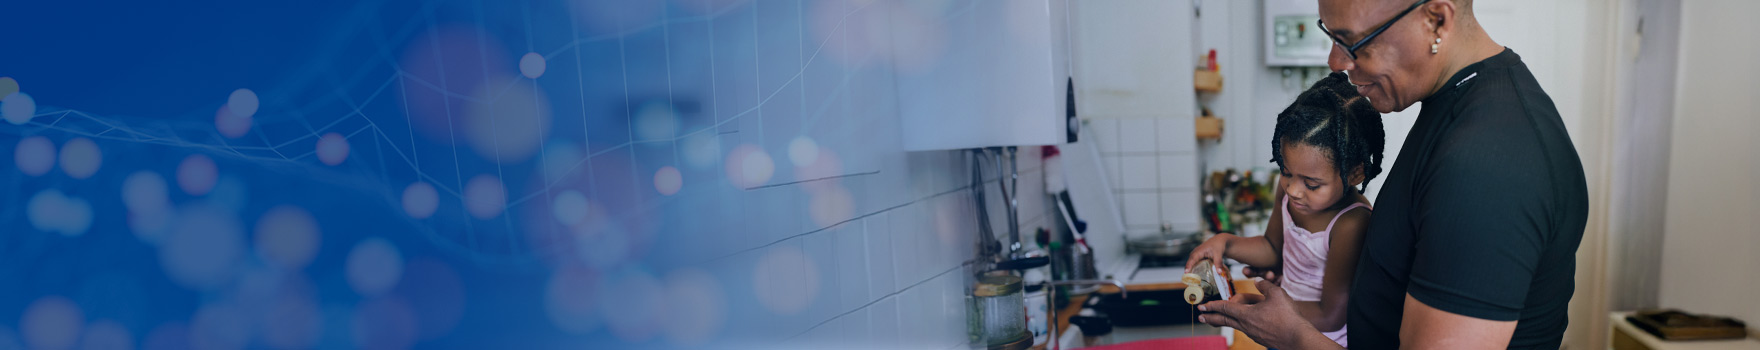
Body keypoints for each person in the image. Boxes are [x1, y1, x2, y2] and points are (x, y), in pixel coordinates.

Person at [1195, 0, 1589, 349]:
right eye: (1330, 36)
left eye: (1353, 42)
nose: (1336, 62)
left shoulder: (1487, 165)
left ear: (1435, 19)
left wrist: (1294, 335)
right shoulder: (1457, 104)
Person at [1185, 72, 1384, 347]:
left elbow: (1332, 315)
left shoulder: (1351, 223)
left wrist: (1260, 307)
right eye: (1286, 172)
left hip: (1317, 339)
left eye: (1312, 184)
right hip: (1279, 330)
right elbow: (1271, 248)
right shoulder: (1291, 193)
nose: (1293, 189)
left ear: (1355, 174)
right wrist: (1225, 243)